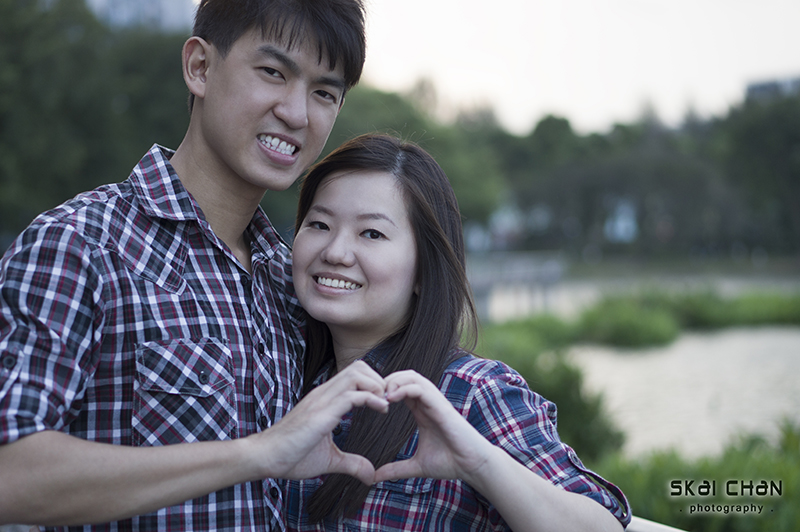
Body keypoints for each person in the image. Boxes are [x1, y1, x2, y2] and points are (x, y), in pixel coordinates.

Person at [0, 1, 391, 529]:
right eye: (274, 73)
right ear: (200, 68)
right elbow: (10, 469)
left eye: (325, 92)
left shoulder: (290, 278)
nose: (298, 113)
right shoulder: (81, 245)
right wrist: (257, 453)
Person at [285, 133, 632, 531]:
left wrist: (479, 462)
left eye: (371, 233)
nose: (335, 251)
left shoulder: (471, 394)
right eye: (319, 224)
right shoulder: (282, 375)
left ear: (424, 270)